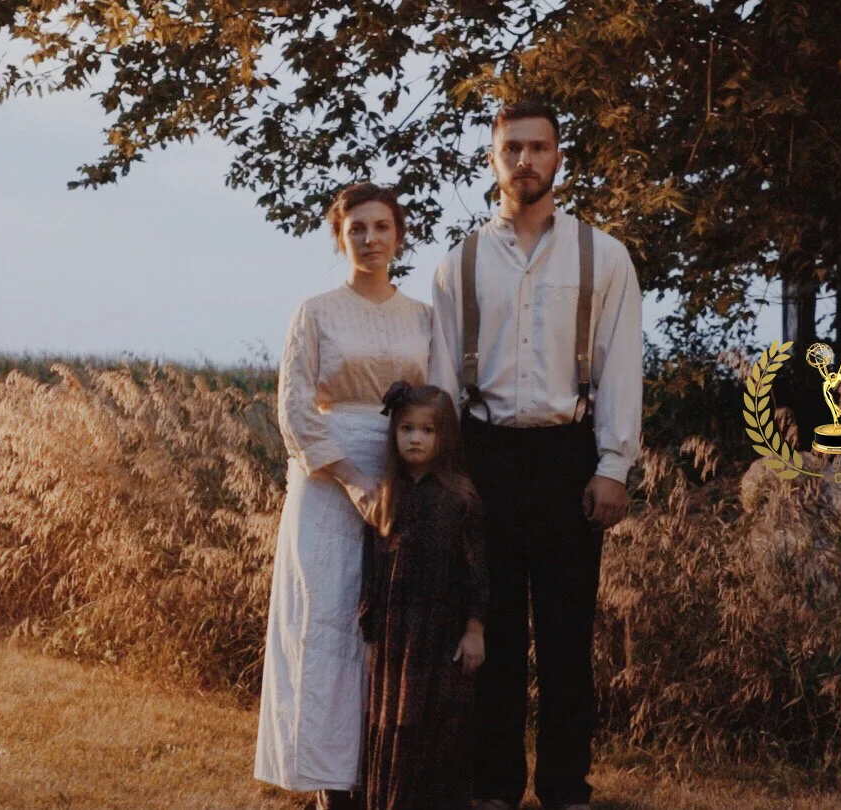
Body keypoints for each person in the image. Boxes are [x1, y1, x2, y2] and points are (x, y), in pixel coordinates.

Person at [427, 100, 643, 810]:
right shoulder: (458, 263)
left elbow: (620, 366)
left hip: (566, 456)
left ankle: (564, 788)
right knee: (488, 630)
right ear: (493, 160)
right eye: (512, 148)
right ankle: (493, 787)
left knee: (566, 635)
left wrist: (612, 466)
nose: (525, 160)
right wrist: (444, 477)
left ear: (559, 158)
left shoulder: (602, 256)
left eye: (538, 147)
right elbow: (440, 383)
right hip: (483, 455)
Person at [256, 182, 432, 810]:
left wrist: (416, 477)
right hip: (329, 476)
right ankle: (333, 783)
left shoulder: (422, 317)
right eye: (356, 228)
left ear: (398, 236)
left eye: (381, 227)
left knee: (390, 627)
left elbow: (436, 403)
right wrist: (353, 478)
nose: (370, 238)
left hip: (402, 472)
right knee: (328, 621)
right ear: (340, 238)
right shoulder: (316, 312)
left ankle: (388, 774)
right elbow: (295, 406)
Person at [357, 381, 490, 810]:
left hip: (440, 635)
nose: (415, 438)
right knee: (394, 718)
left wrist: (474, 630)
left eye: (427, 430)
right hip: (395, 634)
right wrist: (371, 634)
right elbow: (372, 571)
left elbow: (476, 571)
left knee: (437, 723)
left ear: (444, 436)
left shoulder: (460, 499)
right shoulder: (385, 497)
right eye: (407, 429)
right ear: (394, 433)